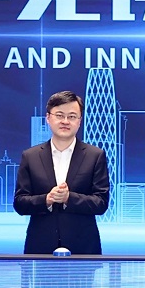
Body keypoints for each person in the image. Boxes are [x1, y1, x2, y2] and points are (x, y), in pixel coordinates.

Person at [14, 90, 111, 254]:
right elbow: (20, 203)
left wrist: (69, 198)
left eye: (72, 116)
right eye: (59, 115)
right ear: (48, 118)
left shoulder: (95, 155)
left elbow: (101, 203)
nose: (65, 121)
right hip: (40, 248)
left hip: (83, 248)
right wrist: (47, 199)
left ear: (79, 121)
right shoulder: (30, 156)